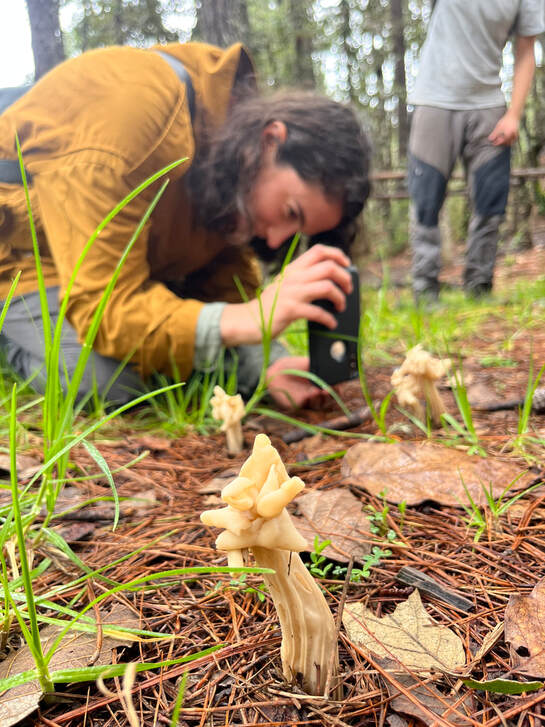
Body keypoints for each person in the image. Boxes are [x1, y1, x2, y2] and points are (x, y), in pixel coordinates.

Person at [0, 41, 371, 409]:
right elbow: (105, 310)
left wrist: (269, 365)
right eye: (291, 212)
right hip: (21, 261)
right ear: (271, 140)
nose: (275, 239)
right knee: (106, 380)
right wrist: (248, 319)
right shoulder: (128, 120)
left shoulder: (229, 157)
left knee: (166, 360)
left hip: (112, 270)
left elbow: (224, 282)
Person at [408, 0, 544, 301]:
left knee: (490, 201)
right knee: (425, 199)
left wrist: (514, 115)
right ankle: (424, 290)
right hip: (434, 100)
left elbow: (526, 52)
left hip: (488, 105)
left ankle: (479, 286)